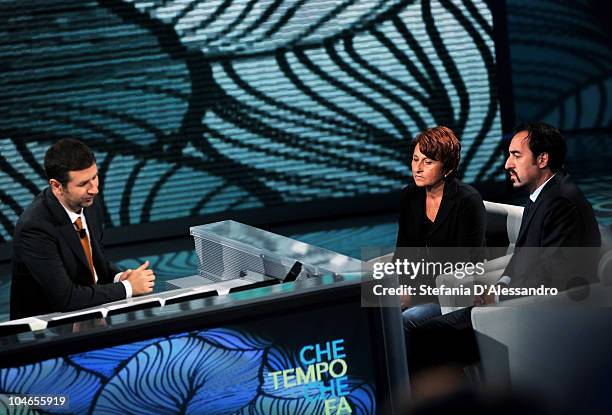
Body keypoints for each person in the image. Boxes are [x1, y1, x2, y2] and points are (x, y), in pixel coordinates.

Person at [405, 121, 601, 374]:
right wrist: (500, 286)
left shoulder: (562, 203)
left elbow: (556, 280)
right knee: (418, 329)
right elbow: (522, 260)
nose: (507, 164)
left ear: (542, 159)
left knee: (422, 335)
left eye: (516, 155)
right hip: (510, 306)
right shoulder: (540, 195)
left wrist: (498, 297)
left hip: (529, 318)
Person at [10, 139, 155, 319]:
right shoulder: (34, 228)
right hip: (43, 331)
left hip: (88, 316)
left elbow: (93, 262)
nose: (94, 189)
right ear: (57, 186)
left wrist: (119, 277)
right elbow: (66, 298)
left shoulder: (89, 204)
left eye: (95, 177)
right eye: (83, 183)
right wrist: (128, 288)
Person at [394, 126, 486, 328]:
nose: (417, 168)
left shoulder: (468, 201)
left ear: (448, 168)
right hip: (418, 288)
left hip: (453, 295)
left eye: (428, 162)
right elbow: (403, 253)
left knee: (406, 320)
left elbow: (462, 268)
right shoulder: (410, 195)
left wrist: (414, 295)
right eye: (415, 159)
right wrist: (399, 287)